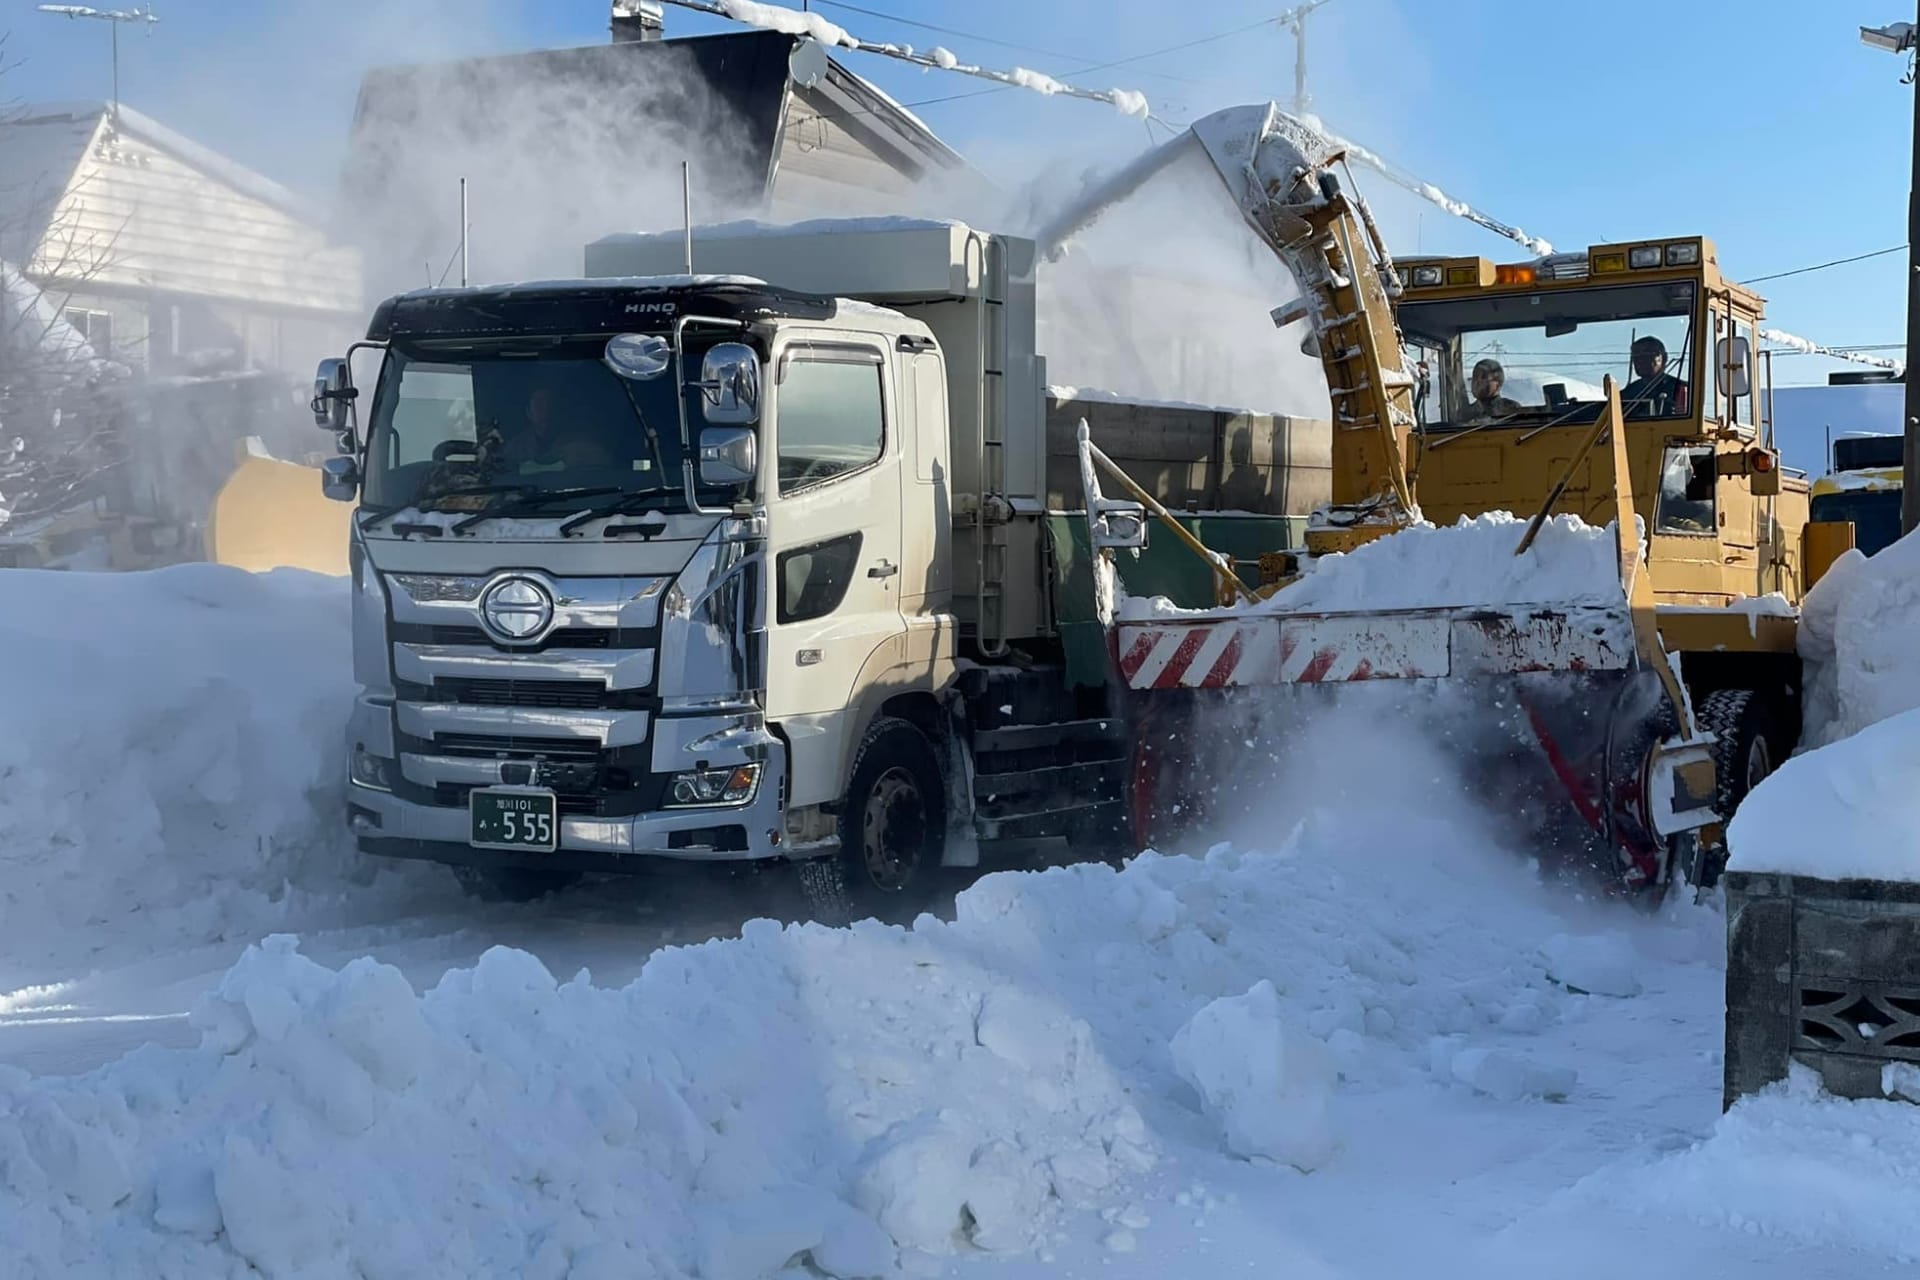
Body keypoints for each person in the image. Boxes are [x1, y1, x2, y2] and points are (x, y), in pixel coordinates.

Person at [1622, 336, 1688, 419]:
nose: (1640, 360)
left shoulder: (1680, 389)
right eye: (1635, 355)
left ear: (1664, 358)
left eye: (1647, 354)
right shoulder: (1628, 392)